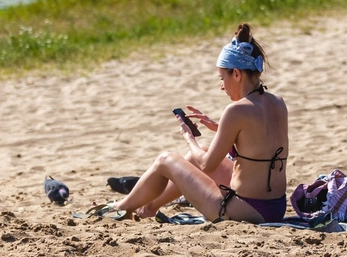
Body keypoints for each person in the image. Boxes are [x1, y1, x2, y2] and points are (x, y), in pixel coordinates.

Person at [98, 23, 290, 224]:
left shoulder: (236, 110)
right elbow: (261, 146)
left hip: (243, 210)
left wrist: (188, 138)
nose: (221, 86)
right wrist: (221, 129)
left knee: (166, 159)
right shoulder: (278, 102)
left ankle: (122, 208)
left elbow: (207, 165)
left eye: (222, 78)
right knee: (199, 153)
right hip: (275, 207)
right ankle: (150, 207)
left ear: (236, 74)